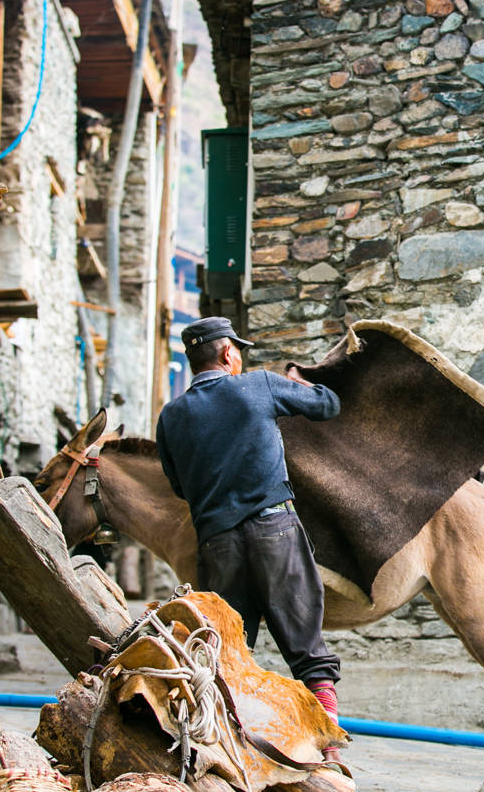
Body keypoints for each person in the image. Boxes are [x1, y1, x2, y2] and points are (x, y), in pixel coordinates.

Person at [155, 316, 344, 750]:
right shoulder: (259, 384)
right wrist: (298, 382)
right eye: (236, 348)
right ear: (227, 353)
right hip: (274, 528)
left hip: (217, 544)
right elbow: (328, 405)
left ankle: (233, 750)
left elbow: (180, 486)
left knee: (232, 655)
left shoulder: (172, 416)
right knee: (307, 651)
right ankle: (330, 749)